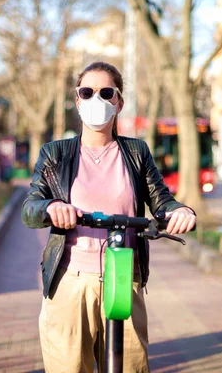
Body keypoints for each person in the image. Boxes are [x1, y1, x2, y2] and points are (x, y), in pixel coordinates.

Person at [21, 62, 196, 372]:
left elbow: (161, 200)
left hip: (123, 277)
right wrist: (50, 208)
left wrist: (180, 211)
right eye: (87, 92)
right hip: (70, 280)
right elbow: (31, 207)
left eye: (106, 93)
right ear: (77, 100)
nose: (96, 100)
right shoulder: (55, 153)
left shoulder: (136, 152)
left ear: (119, 102)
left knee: (129, 366)